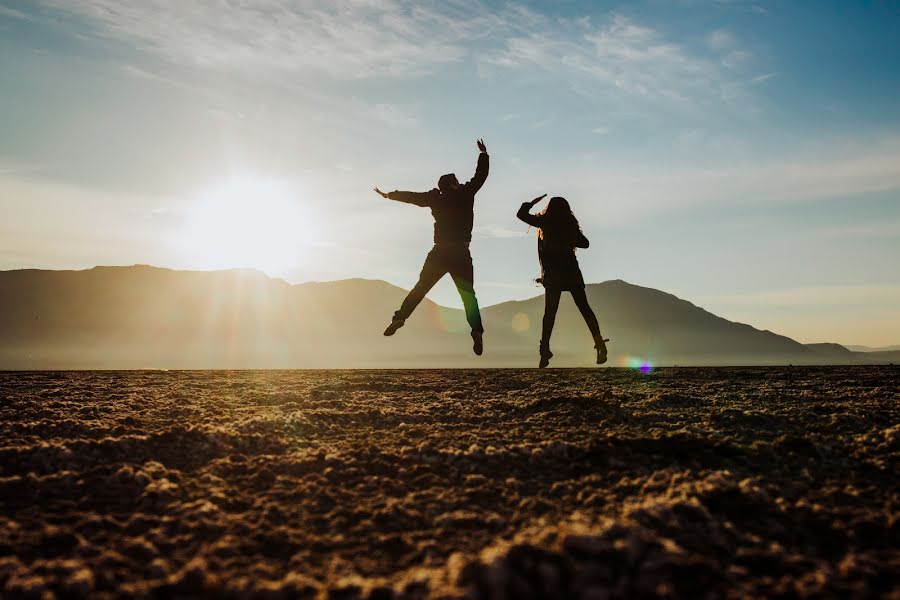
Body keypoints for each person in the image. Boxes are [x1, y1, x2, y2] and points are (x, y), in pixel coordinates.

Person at [374, 139, 489, 355]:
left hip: (439, 251)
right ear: (454, 184)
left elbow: (412, 198)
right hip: (460, 252)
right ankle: (476, 330)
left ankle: (400, 318)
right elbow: (480, 176)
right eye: (457, 180)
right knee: (468, 295)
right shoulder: (466, 194)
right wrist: (483, 154)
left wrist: (389, 195)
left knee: (421, 288)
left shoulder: (435, 199)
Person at [517, 194, 608, 368]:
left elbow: (521, 215)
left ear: (549, 208)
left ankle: (544, 350)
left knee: (549, 314)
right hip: (571, 271)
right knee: (585, 309)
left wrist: (529, 204)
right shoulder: (569, 226)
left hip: (553, 274)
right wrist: (569, 236)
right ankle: (600, 345)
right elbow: (585, 243)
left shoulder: (545, 222)